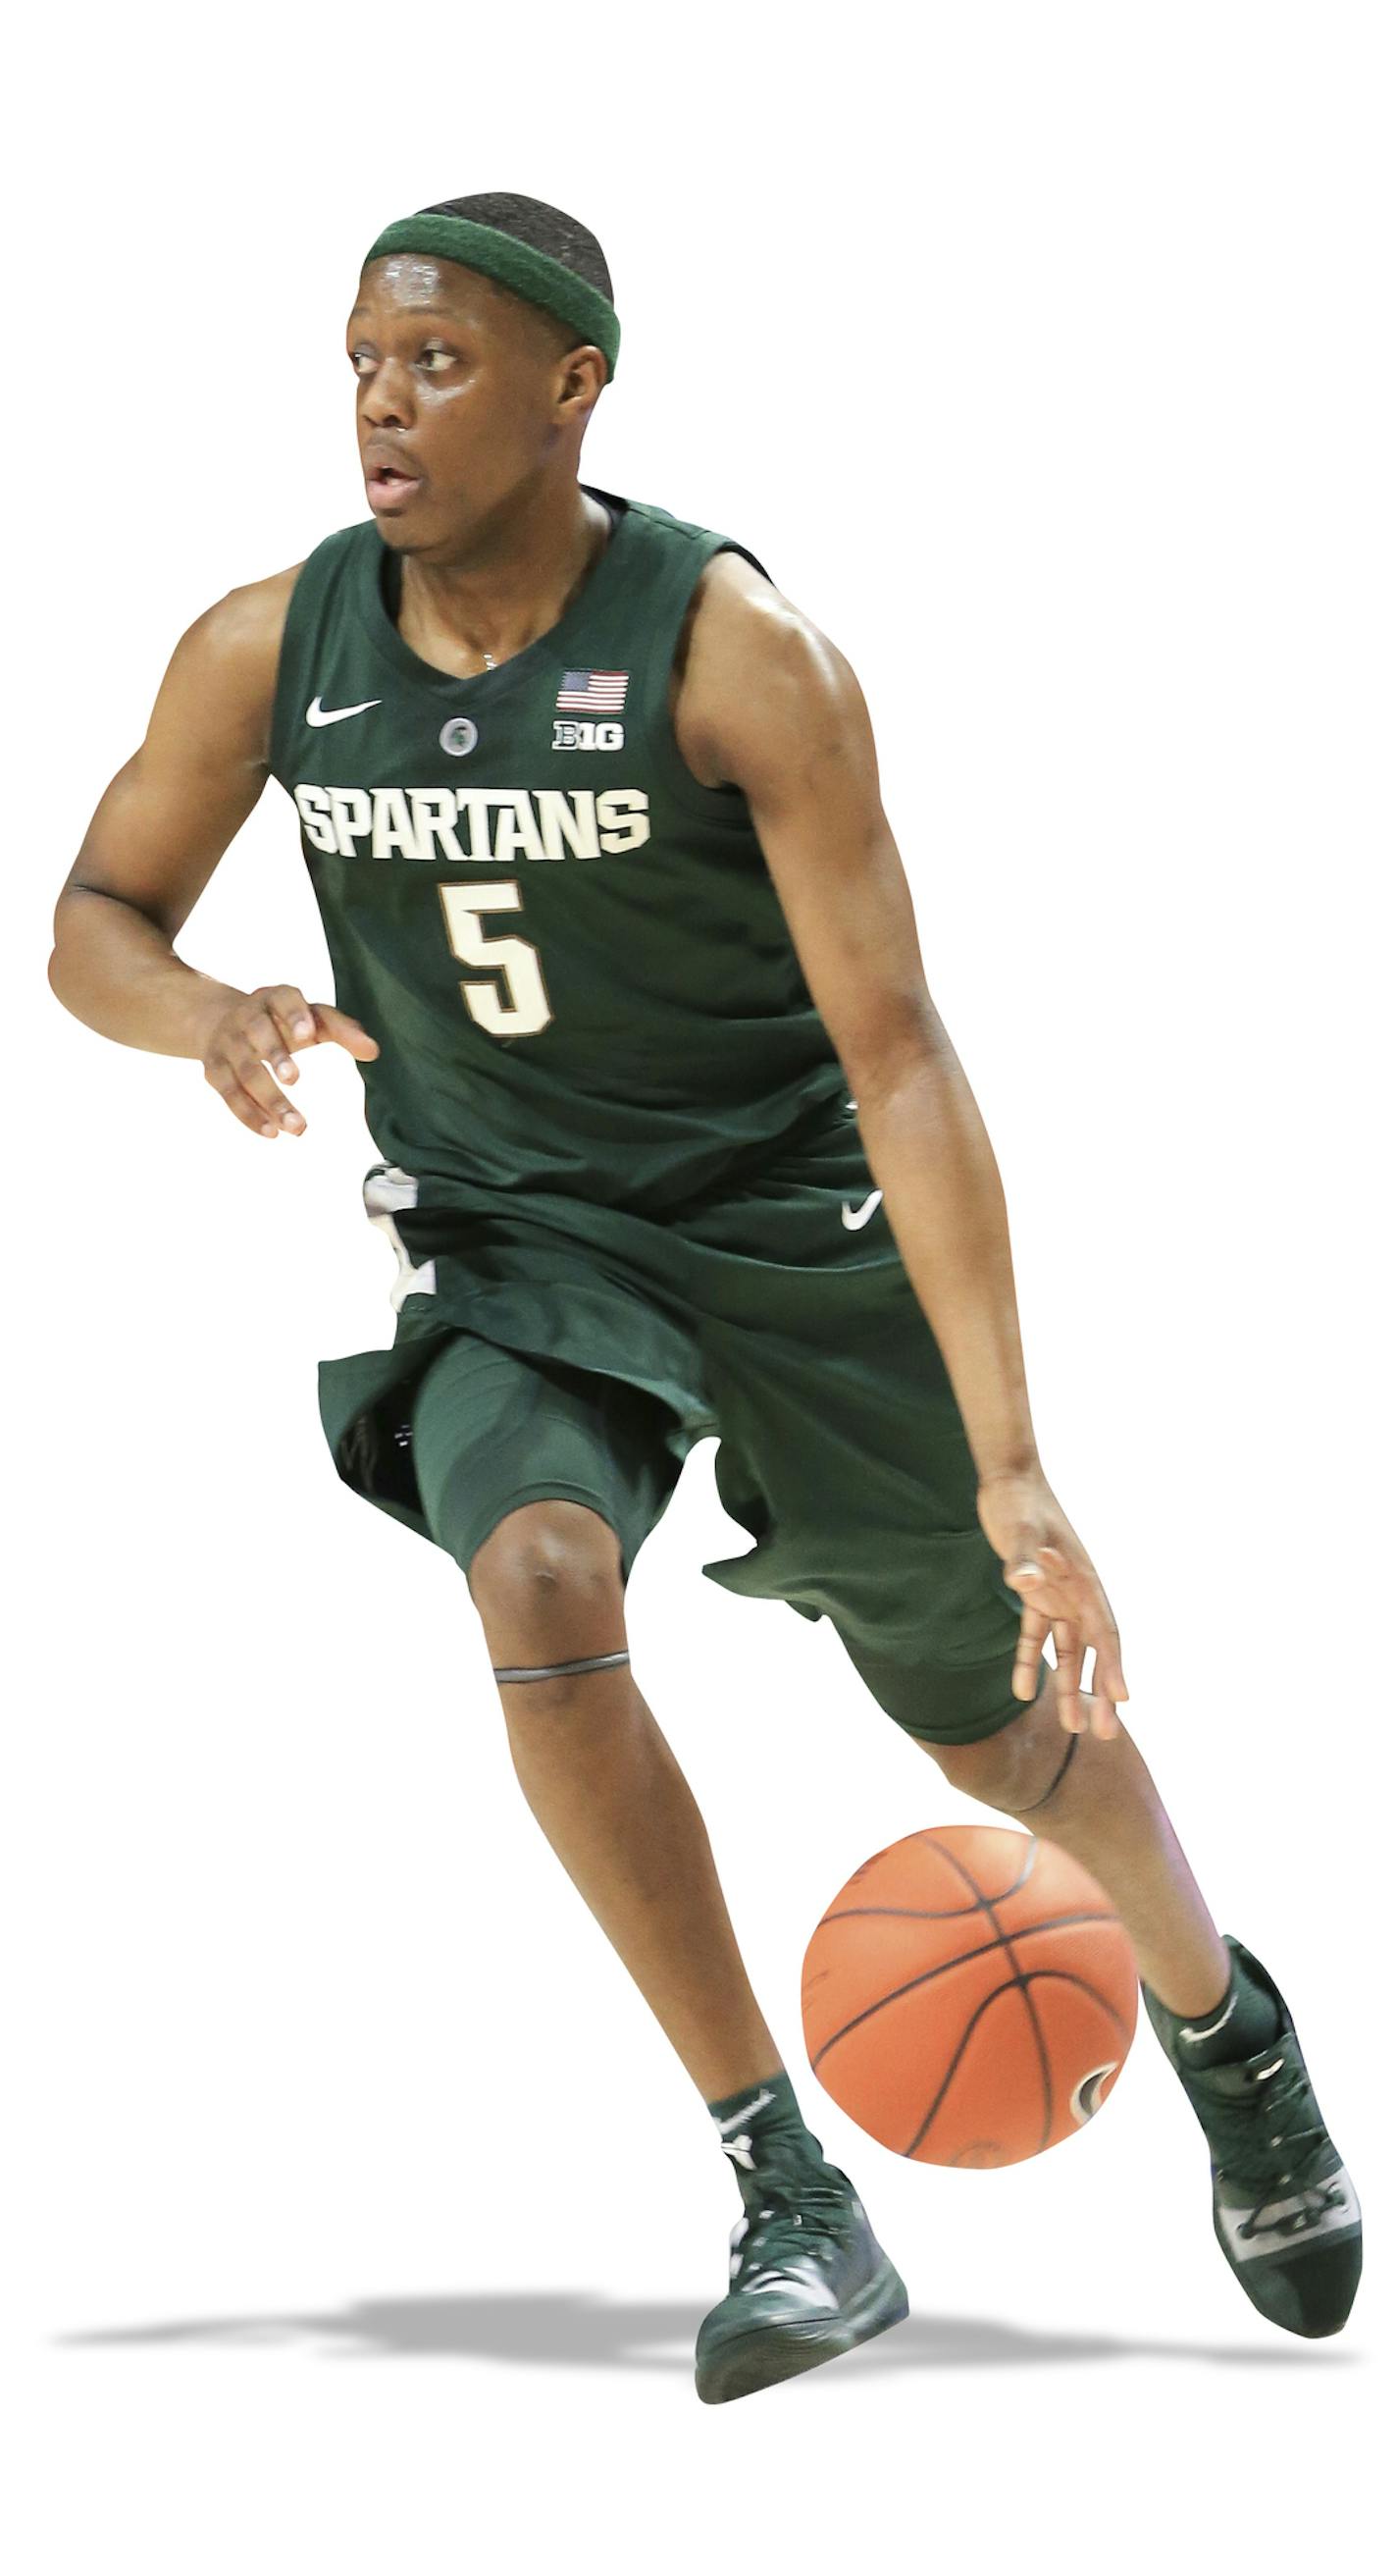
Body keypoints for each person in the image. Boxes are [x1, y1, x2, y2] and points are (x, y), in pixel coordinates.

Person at [47, 188, 1361, 2403]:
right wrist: (211, 1016)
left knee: (991, 1728)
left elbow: (906, 1056)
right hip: (514, 1234)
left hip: (785, 1226)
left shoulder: (743, 657)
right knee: (538, 1574)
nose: (383, 397)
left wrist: (1019, 1464)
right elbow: (92, 911)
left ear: (575, 390)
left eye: (440, 362)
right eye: (362, 358)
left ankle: (1221, 2018)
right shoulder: (268, 647)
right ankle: (787, 2184)